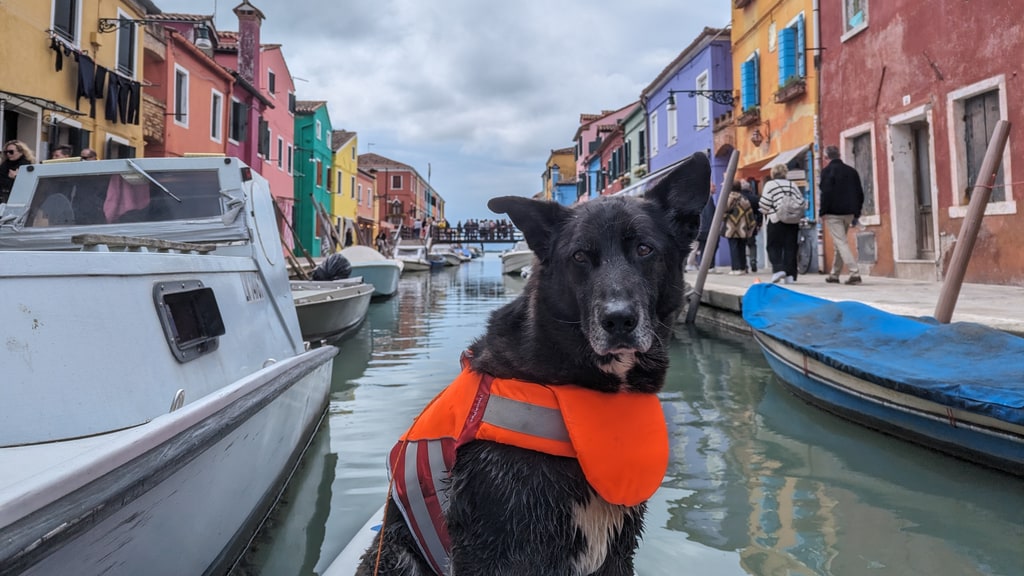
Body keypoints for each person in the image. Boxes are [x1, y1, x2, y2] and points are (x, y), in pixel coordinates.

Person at [819, 145, 865, 285]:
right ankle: (834, 274)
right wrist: (856, 213)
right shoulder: (851, 171)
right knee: (839, 243)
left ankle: (854, 273)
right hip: (849, 212)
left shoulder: (827, 171)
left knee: (841, 242)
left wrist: (822, 212)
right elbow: (860, 193)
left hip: (834, 213)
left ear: (826, 157)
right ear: (839, 155)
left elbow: (825, 193)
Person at [759, 163, 803, 284]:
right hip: (792, 221)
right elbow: (801, 201)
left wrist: (765, 211)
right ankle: (790, 275)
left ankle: (778, 269)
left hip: (776, 220)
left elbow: (764, 204)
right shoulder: (792, 185)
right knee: (790, 247)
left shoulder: (770, 185)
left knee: (773, 246)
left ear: (773, 173)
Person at [722, 181, 758, 274]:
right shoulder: (744, 199)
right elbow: (750, 214)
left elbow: (723, 211)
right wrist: (750, 227)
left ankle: (735, 268)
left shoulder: (728, 197)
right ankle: (742, 267)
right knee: (742, 247)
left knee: (733, 247)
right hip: (743, 227)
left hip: (731, 227)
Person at [686, 182, 716, 272]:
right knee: (697, 248)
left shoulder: (696, 199)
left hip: (701, 228)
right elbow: (710, 215)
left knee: (697, 248)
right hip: (705, 228)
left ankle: (694, 264)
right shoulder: (708, 199)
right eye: (713, 186)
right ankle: (692, 264)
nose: (715, 188)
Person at [0, 140, 37, 204]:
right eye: (6, 152)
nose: (8, 154)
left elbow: (30, 184)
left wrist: (17, 177)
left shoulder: (27, 166)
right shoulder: (4, 165)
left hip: (21, 199)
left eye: (11, 152)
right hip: (4, 198)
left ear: (21, 152)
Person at [744, 179, 762, 272]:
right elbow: (760, 212)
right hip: (751, 223)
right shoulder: (754, 198)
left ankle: (744, 265)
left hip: (739, 225)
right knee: (752, 244)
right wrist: (759, 223)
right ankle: (753, 261)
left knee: (741, 245)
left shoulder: (739, 197)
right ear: (749, 188)